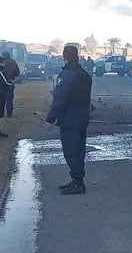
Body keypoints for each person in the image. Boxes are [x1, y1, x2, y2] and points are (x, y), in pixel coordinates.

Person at [44, 45, 93, 195]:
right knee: (79, 150)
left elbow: (60, 99)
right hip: (82, 117)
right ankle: (77, 180)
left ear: (65, 57)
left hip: (70, 119)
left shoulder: (66, 75)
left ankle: (78, 182)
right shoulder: (85, 74)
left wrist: (50, 118)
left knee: (71, 151)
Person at [0, 51, 20, 118]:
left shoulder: (0, 62)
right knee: (9, 99)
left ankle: (1, 113)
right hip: (10, 82)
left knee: (1, 99)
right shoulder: (13, 63)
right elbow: (17, 72)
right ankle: (9, 114)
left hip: (0, 82)